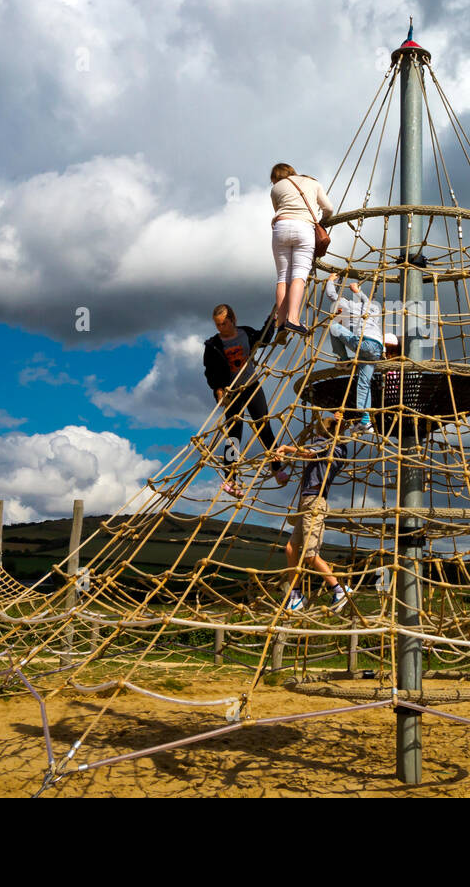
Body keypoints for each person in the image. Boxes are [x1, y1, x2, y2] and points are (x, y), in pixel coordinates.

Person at [202, 304, 286, 495]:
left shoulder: (245, 333)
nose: (221, 327)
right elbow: (210, 371)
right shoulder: (213, 345)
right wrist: (218, 390)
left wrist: (272, 319)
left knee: (263, 425)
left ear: (232, 319)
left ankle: (276, 467)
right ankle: (230, 480)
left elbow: (263, 339)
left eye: (224, 323)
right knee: (234, 435)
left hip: (251, 385)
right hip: (232, 391)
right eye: (217, 325)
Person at [275, 412, 352, 613]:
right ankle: (296, 596)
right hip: (307, 500)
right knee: (291, 548)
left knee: (310, 554)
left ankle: (340, 590)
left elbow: (308, 452)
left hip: (315, 502)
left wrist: (287, 448)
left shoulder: (330, 446)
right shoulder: (334, 447)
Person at [270, 162, 332, 335]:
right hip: (304, 227)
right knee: (299, 275)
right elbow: (329, 208)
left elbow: (279, 209)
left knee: (283, 277)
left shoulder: (276, 189)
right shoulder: (313, 183)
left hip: (280, 227)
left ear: (275, 178)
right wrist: (323, 219)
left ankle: (281, 323)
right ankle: (293, 320)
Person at [325, 273, 384, 435]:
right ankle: (366, 422)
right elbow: (365, 300)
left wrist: (330, 281)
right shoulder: (372, 307)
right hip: (377, 349)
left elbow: (331, 295)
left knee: (334, 326)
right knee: (364, 383)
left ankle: (344, 360)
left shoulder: (347, 305)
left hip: (364, 344)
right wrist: (357, 290)